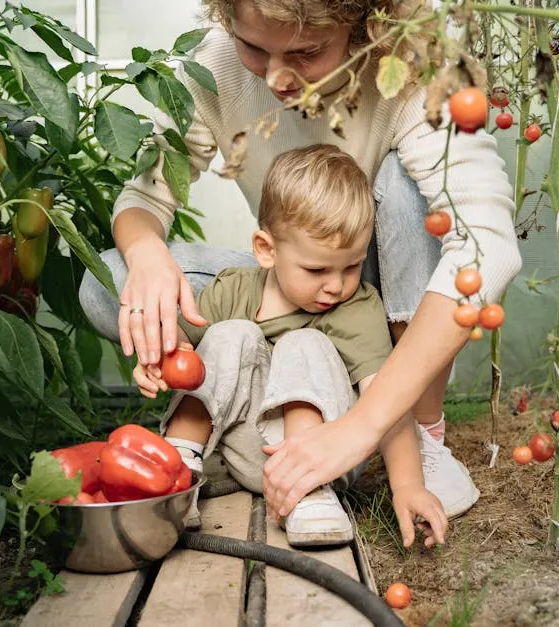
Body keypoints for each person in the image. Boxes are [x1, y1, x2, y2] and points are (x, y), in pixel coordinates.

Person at [79, 0, 522, 520]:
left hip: (370, 288)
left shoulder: (414, 70)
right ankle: (258, 398)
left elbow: (484, 244)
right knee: (109, 281)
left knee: (408, 190)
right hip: (292, 279)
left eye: (306, 51)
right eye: (253, 47)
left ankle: (418, 430)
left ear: (363, 28)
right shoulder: (212, 64)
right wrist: (148, 251)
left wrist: (365, 427)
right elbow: (144, 197)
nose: (277, 78)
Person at [135, 144, 446, 548]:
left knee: (305, 343)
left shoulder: (356, 309)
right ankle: (178, 468)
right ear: (266, 250)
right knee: (231, 335)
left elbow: (387, 403)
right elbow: (183, 352)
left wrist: (407, 486)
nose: (336, 285)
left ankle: (308, 494)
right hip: (232, 453)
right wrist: (160, 357)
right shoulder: (233, 289)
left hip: (325, 457)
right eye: (316, 269)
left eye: (351, 266)